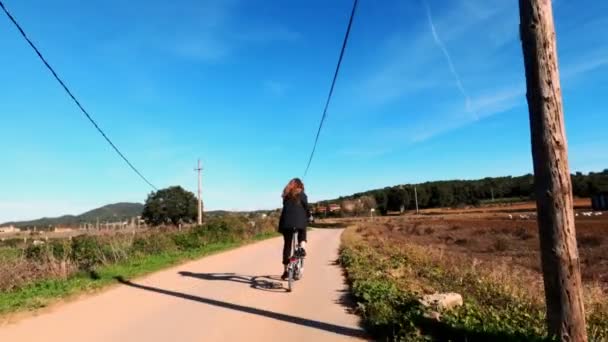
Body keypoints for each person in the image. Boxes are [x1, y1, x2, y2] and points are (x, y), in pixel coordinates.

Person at [278, 178, 311, 280]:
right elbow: (306, 208)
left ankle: (285, 271)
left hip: (285, 223)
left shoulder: (286, 195)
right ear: (300, 185)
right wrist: (310, 216)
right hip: (299, 222)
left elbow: (286, 207)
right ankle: (301, 249)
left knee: (287, 245)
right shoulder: (302, 194)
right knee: (302, 229)